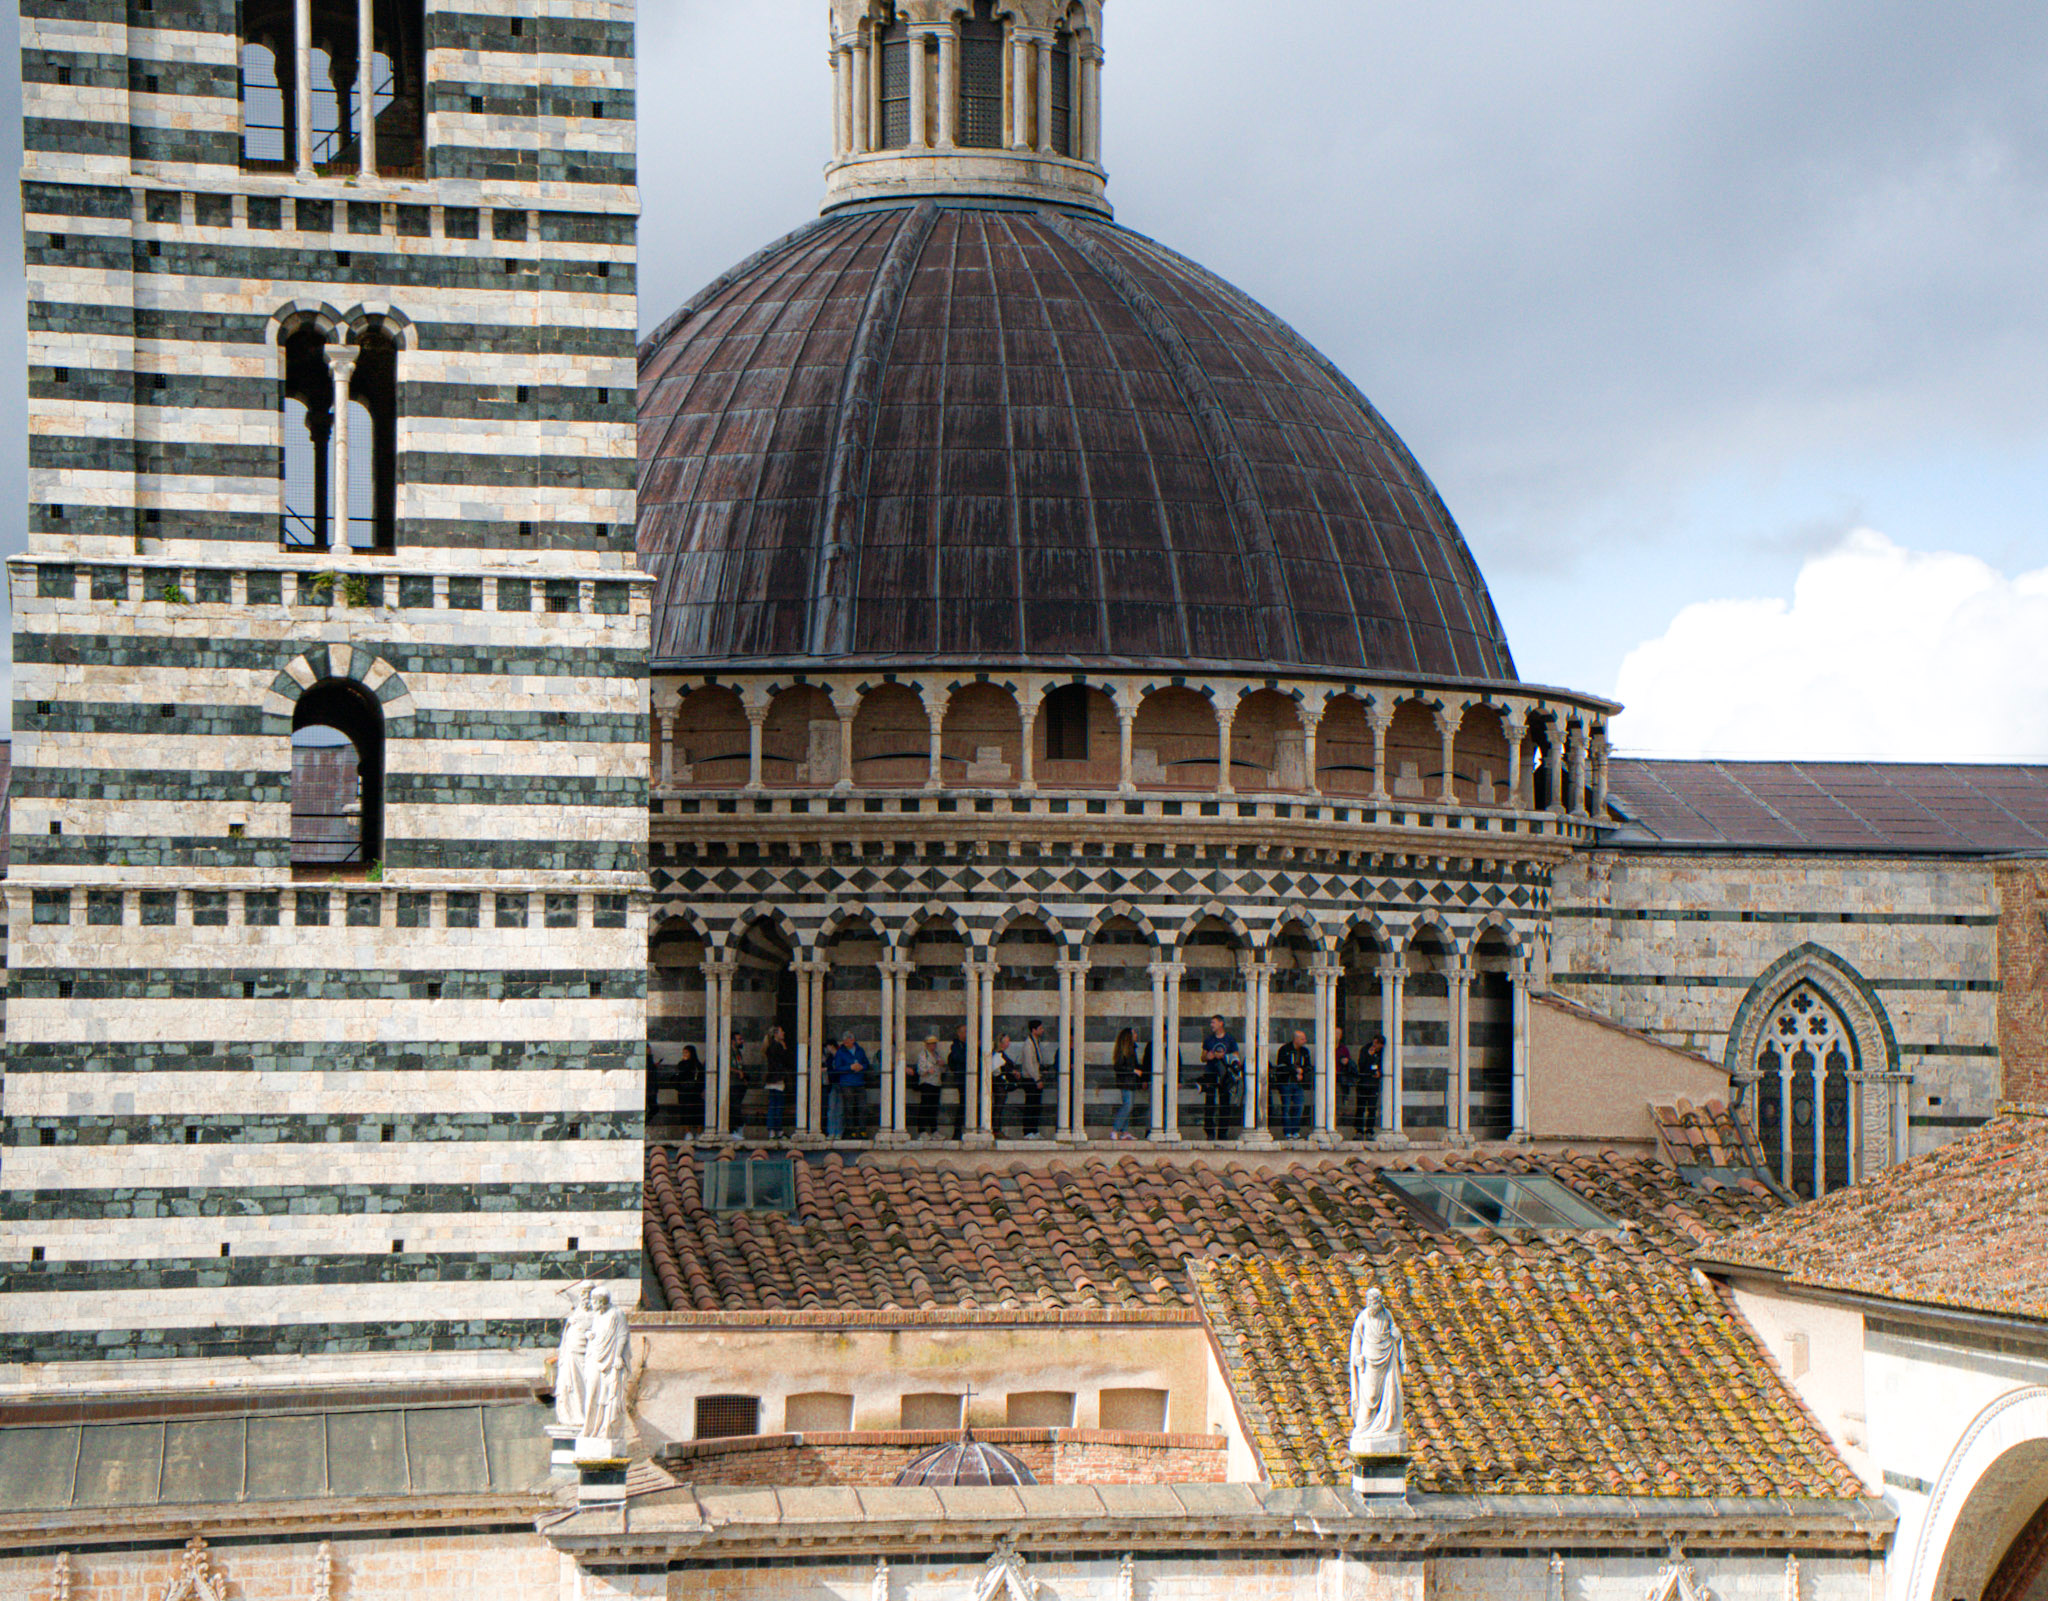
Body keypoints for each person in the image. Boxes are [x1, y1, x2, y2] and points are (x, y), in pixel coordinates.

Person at [1199, 1015, 1240, 1141]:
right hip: (1211, 1073)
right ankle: (1209, 1132)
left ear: (1221, 1023)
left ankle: (1222, 1132)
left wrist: (1224, 1056)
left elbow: (1236, 1057)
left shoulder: (1230, 1039)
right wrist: (1209, 1057)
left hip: (1225, 1075)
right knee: (1209, 1103)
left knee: (1224, 1104)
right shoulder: (1209, 1039)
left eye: (1214, 1022)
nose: (1211, 1025)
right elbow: (1202, 1057)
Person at [826, 1032, 870, 1139]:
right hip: (846, 1084)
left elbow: (866, 1063)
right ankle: (851, 1131)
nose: (846, 1043)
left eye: (848, 1041)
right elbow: (837, 1068)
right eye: (844, 1041)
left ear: (853, 1040)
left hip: (859, 1083)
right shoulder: (841, 1052)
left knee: (862, 1107)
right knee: (849, 1109)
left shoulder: (860, 1050)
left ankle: (862, 1130)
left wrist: (861, 1067)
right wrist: (850, 1067)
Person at [1274, 1029, 1312, 1139]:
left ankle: (1295, 1131)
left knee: (1299, 1107)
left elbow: (1308, 1066)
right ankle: (1287, 1132)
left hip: (1299, 1084)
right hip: (1286, 1082)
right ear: (1295, 1039)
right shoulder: (1284, 1049)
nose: (1305, 1041)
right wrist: (1296, 1070)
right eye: (1302, 1039)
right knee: (1286, 1108)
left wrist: (1302, 1071)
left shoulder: (1305, 1051)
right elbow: (1281, 1066)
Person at [1018, 1019, 1051, 1138]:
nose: (1042, 1030)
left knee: (1036, 1106)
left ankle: (1034, 1130)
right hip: (1030, 1079)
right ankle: (1027, 1131)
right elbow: (1029, 1064)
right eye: (1040, 1028)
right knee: (1030, 1105)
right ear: (1034, 1030)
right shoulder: (1028, 1044)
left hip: (1035, 1078)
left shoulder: (1035, 1042)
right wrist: (1037, 1079)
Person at [1111, 1027, 1143, 1139]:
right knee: (1127, 1105)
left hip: (1131, 1082)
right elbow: (1118, 1066)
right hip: (1126, 1081)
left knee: (1129, 1106)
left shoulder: (1131, 1050)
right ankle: (1116, 1129)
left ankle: (1124, 1131)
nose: (1136, 1035)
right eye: (1134, 1033)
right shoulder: (1124, 1051)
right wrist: (1134, 1071)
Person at [763, 1024, 793, 1137]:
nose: (783, 1033)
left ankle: (772, 1130)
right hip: (778, 1079)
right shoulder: (778, 1046)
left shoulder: (769, 1046)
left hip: (772, 1079)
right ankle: (778, 1129)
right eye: (781, 1031)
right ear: (776, 1034)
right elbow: (785, 1061)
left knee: (773, 1105)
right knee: (778, 1105)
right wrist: (785, 1049)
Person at [914, 1034, 945, 1136]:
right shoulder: (923, 1055)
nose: (933, 1046)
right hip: (927, 1083)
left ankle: (934, 1130)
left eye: (934, 1044)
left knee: (934, 1108)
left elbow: (942, 1069)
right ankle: (922, 1130)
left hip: (936, 1083)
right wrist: (928, 1070)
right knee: (925, 1107)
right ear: (926, 1045)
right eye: (931, 1044)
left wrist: (942, 1065)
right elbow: (920, 1070)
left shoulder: (937, 1054)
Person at [1357, 1032, 1386, 1139]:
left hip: (1373, 1084)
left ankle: (1369, 1130)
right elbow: (1361, 1065)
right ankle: (1359, 1130)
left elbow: (1383, 1064)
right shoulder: (1365, 1050)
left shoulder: (1381, 1053)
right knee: (1360, 1108)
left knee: (1372, 1108)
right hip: (1363, 1083)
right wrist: (1370, 1055)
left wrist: (1379, 1072)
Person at [991, 1032, 1016, 1138]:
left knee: (999, 1107)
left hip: (1000, 1083)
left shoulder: (1000, 1054)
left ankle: (996, 1129)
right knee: (998, 1107)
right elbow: (996, 1069)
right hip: (998, 1084)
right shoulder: (997, 1055)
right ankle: (995, 1130)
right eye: (1007, 1042)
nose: (1008, 1044)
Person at [677, 1043, 706, 1132]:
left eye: (686, 1053)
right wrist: (684, 1063)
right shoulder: (682, 1064)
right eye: (683, 1053)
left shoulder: (697, 1064)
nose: (684, 1055)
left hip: (695, 1091)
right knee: (685, 1112)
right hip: (684, 1091)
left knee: (697, 1112)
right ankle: (687, 1132)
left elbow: (701, 1077)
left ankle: (699, 1131)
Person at [947, 1023, 969, 1139]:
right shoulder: (956, 1046)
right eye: (965, 1031)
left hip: (971, 1081)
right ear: (959, 1033)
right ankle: (957, 1132)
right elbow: (957, 1059)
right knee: (963, 1105)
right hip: (962, 1080)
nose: (967, 1033)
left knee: (969, 1105)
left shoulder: (968, 1045)